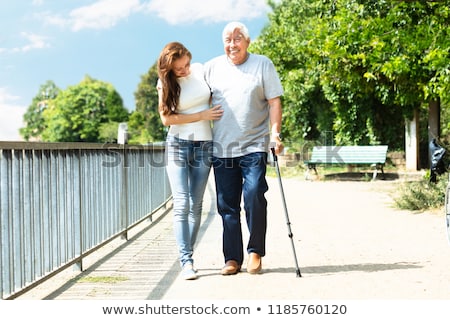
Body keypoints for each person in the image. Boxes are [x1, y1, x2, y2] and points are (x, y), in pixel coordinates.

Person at [204, 21, 284, 275]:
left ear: (247, 41)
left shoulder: (262, 64)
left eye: (237, 39)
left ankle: (255, 252)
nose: (232, 44)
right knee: (227, 205)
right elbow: (194, 96)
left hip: (254, 145)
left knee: (254, 196)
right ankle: (232, 258)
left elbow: (274, 101)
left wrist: (275, 134)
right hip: (222, 148)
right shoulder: (211, 68)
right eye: (228, 39)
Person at [156, 42, 223, 280]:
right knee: (182, 203)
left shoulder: (201, 69)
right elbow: (167, 119)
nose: (184, 71)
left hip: (204, 145)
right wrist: (202, 115)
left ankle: (187, 255)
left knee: (197, 205)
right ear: (169, 69)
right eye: (178, 69)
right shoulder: (165, 84)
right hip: (178, 145)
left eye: (185, 65)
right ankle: (187, 261)